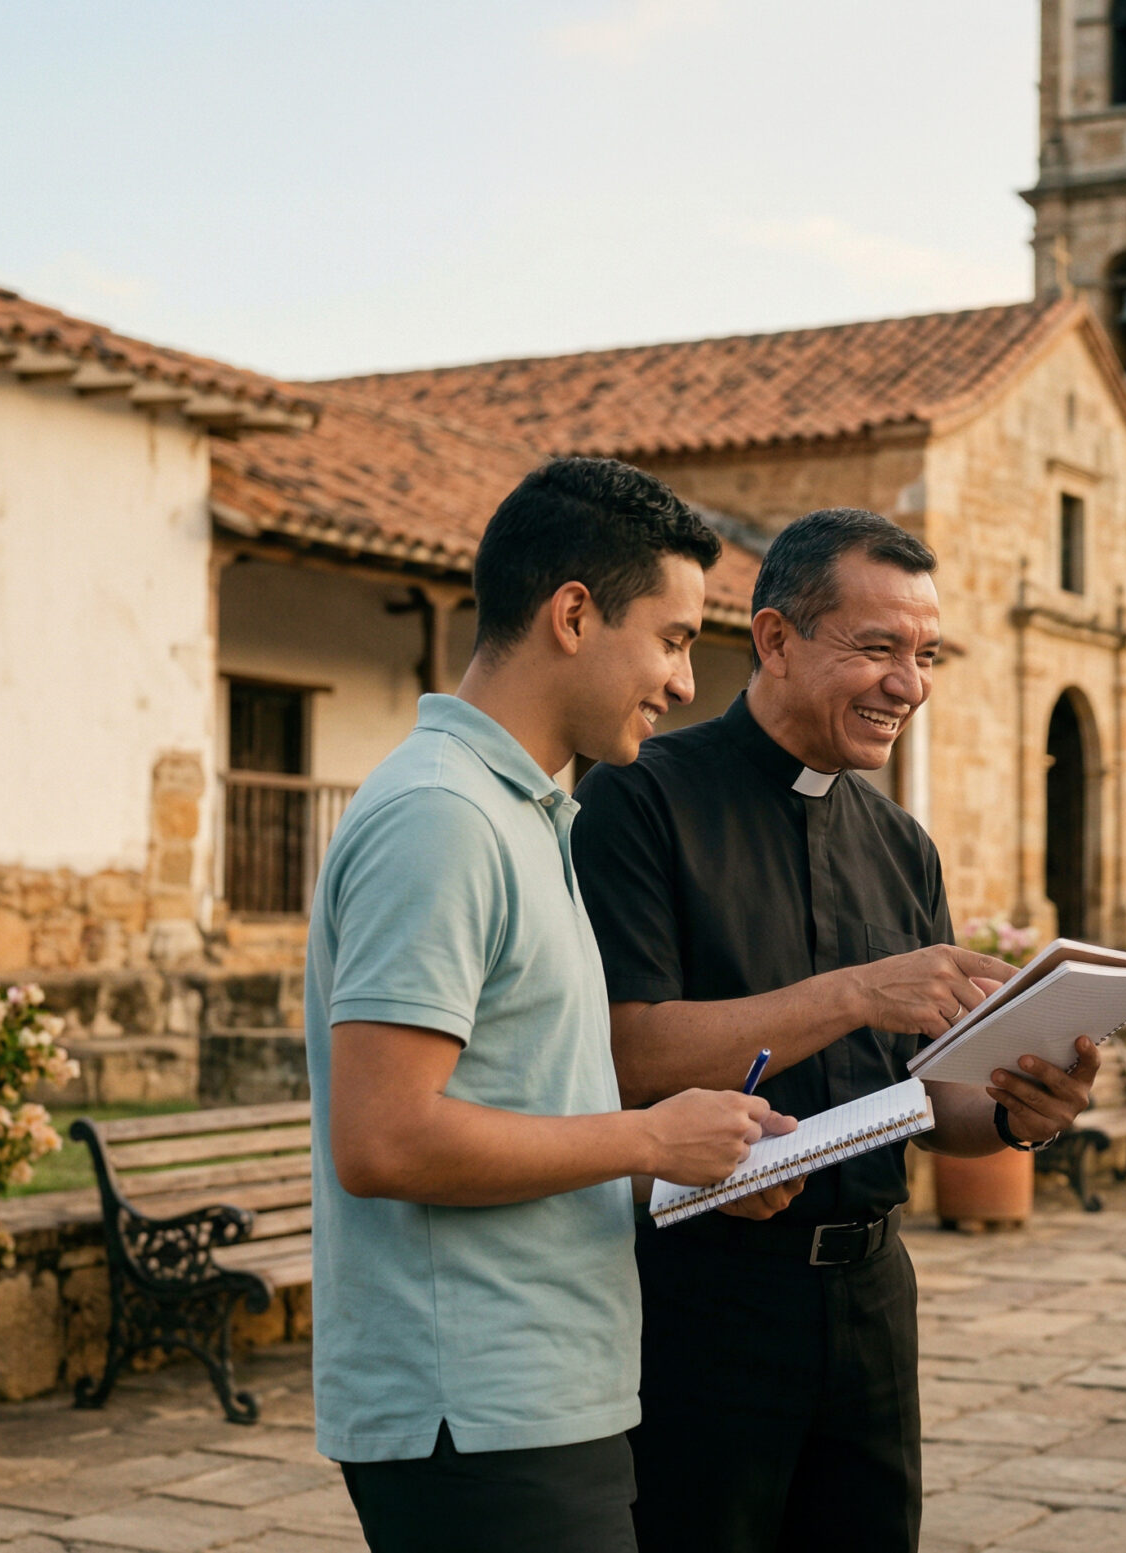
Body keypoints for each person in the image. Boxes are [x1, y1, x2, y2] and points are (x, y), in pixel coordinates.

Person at [570, 507, 1105, 1553]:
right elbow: (625, 1049)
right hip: (699, 1302)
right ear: (773, 638)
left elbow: (932, 1097)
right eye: (875, 648)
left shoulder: (902, 845)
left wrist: (1016, 1111)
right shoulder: (637, 799)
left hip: (870, 1302)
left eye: (924, 653)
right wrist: (855, 991)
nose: (907, 682)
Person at [308, 458, 787, 1552]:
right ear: (573, 613)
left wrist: (682, 1161)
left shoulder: (528, 813)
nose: (680, 682)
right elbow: (384, 1137)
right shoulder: (443, 815)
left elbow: (516, 1100)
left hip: (542, 1388)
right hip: (474, 1404)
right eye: (671, 638)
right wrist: (652, 1132)